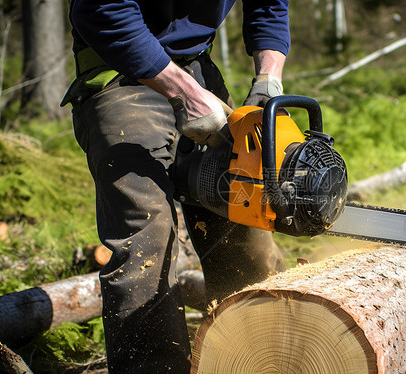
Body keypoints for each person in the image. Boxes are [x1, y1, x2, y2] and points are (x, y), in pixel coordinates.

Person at [61, 1, 290, 372]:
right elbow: (100, 9)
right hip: (117, 68)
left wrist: (269, 81)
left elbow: (269, 5)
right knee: (146, 238)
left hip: (198, 66)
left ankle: (264, 357)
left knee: (243, 216)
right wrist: (183, 91)